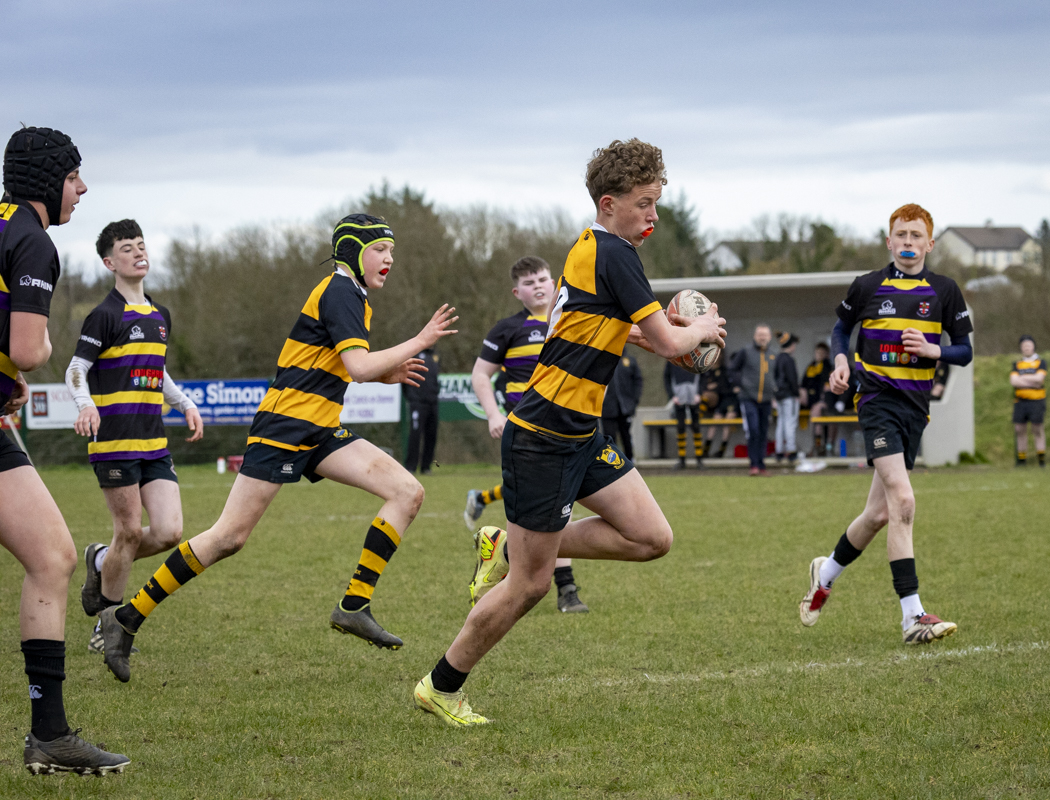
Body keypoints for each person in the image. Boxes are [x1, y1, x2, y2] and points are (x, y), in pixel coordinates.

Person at [412, 138, 725, 727]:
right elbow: (662, 340)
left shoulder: (594, 249)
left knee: (651, 537)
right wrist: (698, 328)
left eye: (657, 202)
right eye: (644, 203)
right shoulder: (614, 254)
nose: (654, 215)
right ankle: (441, 684)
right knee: (530, 586)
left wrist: (679, 336)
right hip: (544, 436)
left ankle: (504, 546)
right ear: (609, 204)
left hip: (579, 431)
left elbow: (609, 329)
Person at [98, 214, 457, 683]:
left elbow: (348, 365)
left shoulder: (354, 294)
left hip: (322, 428)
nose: (389, 259)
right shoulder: (340, 290)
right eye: (380, 250)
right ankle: (126, 619)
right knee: (228, 537)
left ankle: (354, 604)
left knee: (407, 491)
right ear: (352, 251)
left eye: (392, 250)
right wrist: (419, 341)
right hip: (284, 427)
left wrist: (383, 370)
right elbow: (360, 366)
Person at [1, 126, 130, 773]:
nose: (82, 188)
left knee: (53, 557)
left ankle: (49, 734)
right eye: (75, 176)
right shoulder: (31, 238)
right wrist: (28, 362)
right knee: (51, 559)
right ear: (50, 177)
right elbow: (29, 348)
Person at [800, 203, 973, 645]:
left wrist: (935, 352)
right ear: (889, 240)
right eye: (902, 234)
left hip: (915, 409)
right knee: (904, 499)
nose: (909, 242)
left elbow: (964, 351)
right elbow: (841, 329)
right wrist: (841, 362)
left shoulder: (945, 291)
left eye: (917, 235)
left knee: (878, 514)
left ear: (930, 243)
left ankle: (826, 573)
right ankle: (912, 616)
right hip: (875, 400)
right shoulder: (868, 286)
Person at [67, 219, 206, 656]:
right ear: (110, 262)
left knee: (169, 532)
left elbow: (157, 371)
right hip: (114, 443)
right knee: (127, 532)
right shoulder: (104, 315)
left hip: (153, 442)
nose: (138, 252)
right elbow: (76, 369)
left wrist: (184, 404)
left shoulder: (161, 315)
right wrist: (85, 405)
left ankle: (98, 558)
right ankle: (107, 622)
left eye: (142, 245)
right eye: (127, 248)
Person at [463, 256, 588, 613]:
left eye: (544, 279)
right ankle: (566, 591)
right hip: (531, 433)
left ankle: (500, 561)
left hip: (573, 427)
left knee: (551, 510)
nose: (539, 286)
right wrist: (492, 415)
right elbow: (480, 375)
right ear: (517, 291)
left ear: (555, 282)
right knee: (553, 509)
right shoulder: (507, 329)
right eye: (530, 282)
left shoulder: (572, 321)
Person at [729, 324, 776, 475]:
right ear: (755, 336)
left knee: (763, 432)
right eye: (760, 335)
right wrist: (738, 384)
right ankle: (753, 464)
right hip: (748, 398)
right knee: (753, 430)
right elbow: (733, 368)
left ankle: (761, 465)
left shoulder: (773, 354)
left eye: (765, 335)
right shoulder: (746, 352)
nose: (762, 338)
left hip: (767, 400)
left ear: (769, 337)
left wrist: (776, 391)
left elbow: (777, 376)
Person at [1010, 335, 1047, 467]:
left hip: (1037, 401)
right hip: (1020, 401)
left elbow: (1039, 379)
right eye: (1024, 345)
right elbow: (1014, 381)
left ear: (1033, 346)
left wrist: (1023, 379)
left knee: (1037, 429)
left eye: (1029, 344)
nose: (1026, 347)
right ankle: (1021, 460)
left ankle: (1041, 460)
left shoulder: (1040, 362)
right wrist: (1032, 380)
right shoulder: (1017, 364)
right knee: (1020, 429)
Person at [601, 347, 642, 462]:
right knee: (609, 438)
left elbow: (638, 381)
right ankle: (611, 464)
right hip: (606, 408)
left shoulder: (629, 361)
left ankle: (629, 461)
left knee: (626, 437)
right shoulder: (602, 360)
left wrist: (633, 401)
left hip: (625, 408)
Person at [403, 343, 439, 474]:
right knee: (415, 435)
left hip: (433, 403)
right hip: (418, 403)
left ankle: (426, 467)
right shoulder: (414, 355)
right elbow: (405, 380)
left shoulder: (435, 356)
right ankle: (411, 466)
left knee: (432, 435)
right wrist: (413, 397)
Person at [664, 361, 703, 469]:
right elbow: (666, 377)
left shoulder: (696, 357)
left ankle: (699, 459)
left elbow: (703, 376)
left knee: (696, 426)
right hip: (679, 396)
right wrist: (672, 395)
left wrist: (699, 393)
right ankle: (682, 460)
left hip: (693, 396)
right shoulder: (672, 359)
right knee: (680, 427)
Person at [699, 350, 737, 458]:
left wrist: (715, 387)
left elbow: (725, 387)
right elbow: (703, 386)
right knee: (715, 421)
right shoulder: (707, 371)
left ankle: (722, 450)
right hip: (720, 402)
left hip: (731, 401)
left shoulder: (725, 371)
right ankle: (706, 449)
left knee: (728, 421)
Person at [800, 342, 833, 455]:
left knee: (817, 416)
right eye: (817, 352)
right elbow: (803, 384)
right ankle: (815, 446)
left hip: (822, 402)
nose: (819, 355)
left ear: (826, 354)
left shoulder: (828, 367)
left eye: (822, 353)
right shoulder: (811, 366)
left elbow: (826, 387)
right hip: (809, 401)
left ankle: (819, 447)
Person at [774, 332, 800, 465]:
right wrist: (797, 394)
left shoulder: (777, 358)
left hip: (779, 396)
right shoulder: (789, 359)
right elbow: (792, 379)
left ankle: (779, 451)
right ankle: (791, 451)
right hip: (789, 396)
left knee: (781, 423)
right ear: (791, 345)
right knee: (790, 423)